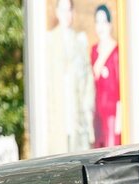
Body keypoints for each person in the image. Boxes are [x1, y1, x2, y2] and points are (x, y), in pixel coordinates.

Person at [45, 0, 94, 154]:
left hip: (77, 115)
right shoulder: (49, 40)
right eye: (63, 10)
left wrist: (87, 112)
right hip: (56, 116)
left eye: (69, 10)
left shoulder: (80, 40)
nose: (66, 15)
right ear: (57, 12)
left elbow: (88, 80)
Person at [91, 3, 121, 148]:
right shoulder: (94, 51)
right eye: (97, 22)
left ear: (109, 24)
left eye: (103, 21)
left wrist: (120, 118)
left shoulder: (116, 51)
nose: (101, 26)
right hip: (97, 114)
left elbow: (120, 85)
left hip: (112, 115)